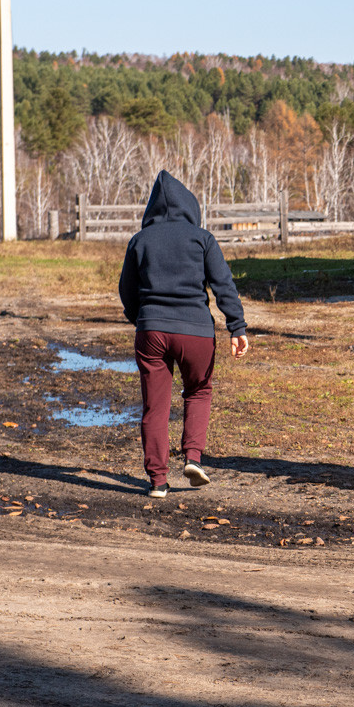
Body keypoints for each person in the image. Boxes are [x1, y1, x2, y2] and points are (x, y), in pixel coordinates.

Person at [118, 170, 249, 498]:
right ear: (190, 205)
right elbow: (223, 284)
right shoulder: (202, 238)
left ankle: (158, 481)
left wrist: (140, 319)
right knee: (199, 390)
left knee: (155, 406)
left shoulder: (140, 240)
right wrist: (237, 326)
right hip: (196, 332)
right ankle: (192, 457)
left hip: (152, 330)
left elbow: (126, 289)